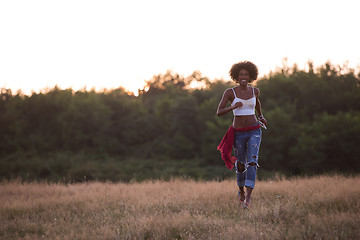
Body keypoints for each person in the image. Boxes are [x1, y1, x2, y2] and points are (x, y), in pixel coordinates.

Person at [216, 61, 267, 209]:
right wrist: (232, 106)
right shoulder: (229, 92)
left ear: (250, 76)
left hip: (254, 131)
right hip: (238, 133)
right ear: (236, 77)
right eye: (240, 75)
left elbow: (257, 103)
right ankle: (240, 190)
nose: (243, 77)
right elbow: (219, 112)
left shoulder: (255, 91)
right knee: (240, 164)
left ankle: (249, 197)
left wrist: (261, 116)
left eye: (246, 75)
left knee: (252, 161)